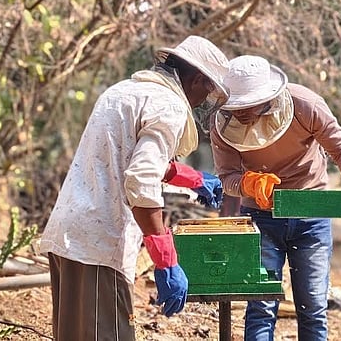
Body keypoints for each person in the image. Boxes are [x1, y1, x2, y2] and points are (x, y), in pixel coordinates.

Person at [39, 36, 229, 340]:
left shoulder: (124, 92)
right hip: (101, 243)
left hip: (70, 234)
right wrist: (166, 260)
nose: (203, 102)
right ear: (196, 80)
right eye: (207, 92)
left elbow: (122, 158)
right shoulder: (170, 105)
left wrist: (193, 179)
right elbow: (140, 179)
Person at [211, 55, 341, 341]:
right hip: (261, 217)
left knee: (312, 304)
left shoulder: (305, 104)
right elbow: (227, 179)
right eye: (237, 107)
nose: (242, 113)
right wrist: (249, 183)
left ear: (268, 98)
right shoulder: (221, 126)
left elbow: (339, 144)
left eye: (249, 106)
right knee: (261, 303)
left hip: (311, 214)